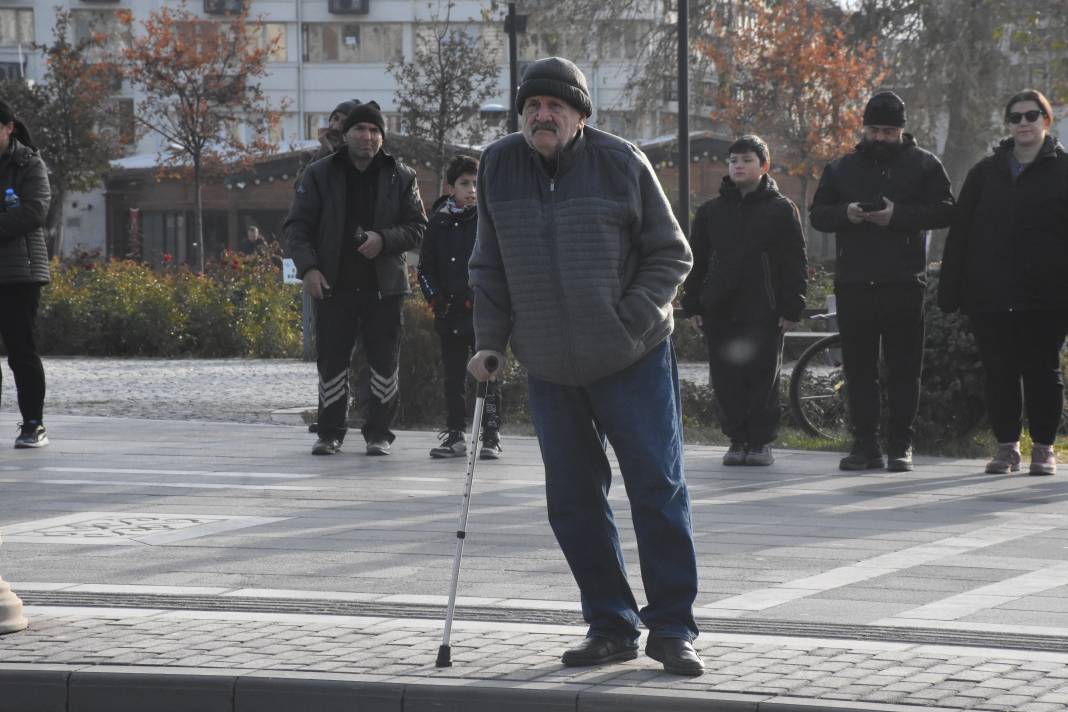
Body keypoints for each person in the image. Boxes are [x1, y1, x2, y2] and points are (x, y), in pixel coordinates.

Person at [467, 57, 704, 676]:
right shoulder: (497, 165)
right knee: (572, 499)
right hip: (549, 363)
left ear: (579, 115)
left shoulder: (621, 161)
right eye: (532, 107)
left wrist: (627, 320)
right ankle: (610, 623)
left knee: (656, 487)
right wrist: (490, 341)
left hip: (633, 356)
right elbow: (487, 267)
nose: (543, 116)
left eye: (556, 107)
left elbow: (671, 254)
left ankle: (673, 627)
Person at [810, 91, 955, 472]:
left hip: (904, 282)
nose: (879, 137)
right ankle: (865, 446)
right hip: (854, 282)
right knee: (859, 370)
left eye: (888, 131)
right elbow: (819, 215)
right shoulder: (842, 167)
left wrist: (898, 216)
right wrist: (848, 213)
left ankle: (900, 445)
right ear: (864, 128)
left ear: (902, 131)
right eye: (874, 129)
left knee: (904, 368)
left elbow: (946, 210)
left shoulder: (924, 165)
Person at [285, 100, 427, 456]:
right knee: (332, 361)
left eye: (375, 130)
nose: (368, 136)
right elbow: (297, 227)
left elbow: (418, 228)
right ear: (345, 134)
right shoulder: (319, 173)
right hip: (334, 285)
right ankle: (329, 432)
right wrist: (309, 269)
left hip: (385, 287)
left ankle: (379, 433)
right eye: (361, 129)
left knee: (384, 362)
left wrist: (384, 240)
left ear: (383, 136)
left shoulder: (402, 175)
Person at [939, 89, 1068, 476]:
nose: (1023, 123)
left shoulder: (1064, 170)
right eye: (1016, 117)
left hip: (1048, 295)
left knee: (1043, 370)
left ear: (1046, 120)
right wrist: (952, 287)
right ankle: (1006, 447)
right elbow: (960, 233)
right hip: (990, 294)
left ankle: (1044, 448)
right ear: (1007, 124)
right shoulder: (985, 173)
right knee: (999, 371)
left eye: (1032, 116)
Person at [681, 135, 807, 466]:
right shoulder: (711, 212)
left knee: (762, 377)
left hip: (763, 310)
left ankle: (760, 442)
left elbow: (794, 262)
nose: (738, 166)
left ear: (763, 166)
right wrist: (693, 303)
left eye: (747, 160)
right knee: (725, 378)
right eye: (733, 160)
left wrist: (792, 306)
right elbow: (698, 261)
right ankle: (737, 440)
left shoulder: (781, 210)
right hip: (720, 310)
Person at [418, 155, 503, 460]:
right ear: (450, 187)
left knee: (487, 376)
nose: (471, 190)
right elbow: (425, 269)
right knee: (453, 377)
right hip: (448, 314)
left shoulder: (487, 220)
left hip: (481, 315)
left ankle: (491, 435)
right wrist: (435, 298)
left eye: (476, 184)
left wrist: (475, 294)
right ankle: (455, 433)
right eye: (464, 184)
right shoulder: (437, 223)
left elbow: (496, 266)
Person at [0, 98, 51, 448]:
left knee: (21, 352)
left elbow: (35, 210)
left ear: (8, 128)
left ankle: (33, 423)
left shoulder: (29, 164)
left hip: (19, 274)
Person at [294, 99, 359, 188]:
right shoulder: (310, 155)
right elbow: (300, 187)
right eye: (335, 118)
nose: (336, 127)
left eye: (345, 123)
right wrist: (324, 151)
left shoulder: (361, 160)